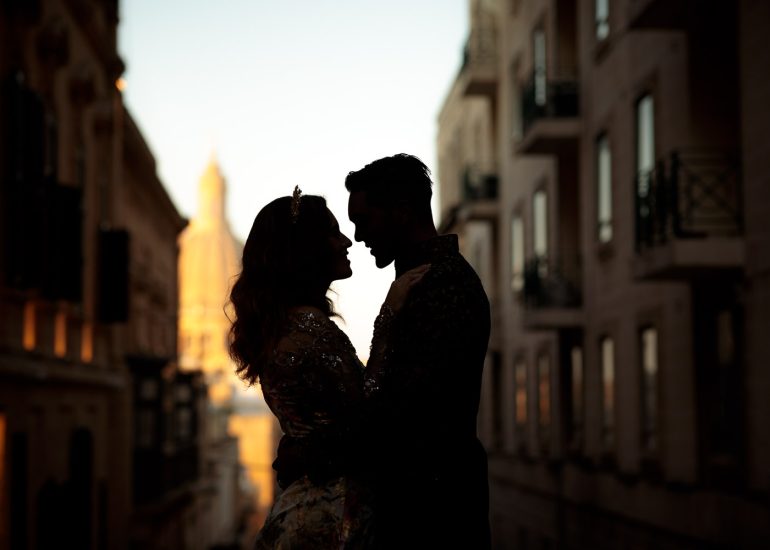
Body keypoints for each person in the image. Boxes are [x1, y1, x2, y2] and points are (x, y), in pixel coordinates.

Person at [274, 154, 492, 548]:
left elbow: (401, 420)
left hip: (431, 519)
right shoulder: (422, 281)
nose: (357, 237)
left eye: (363, 220)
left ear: (402, 212)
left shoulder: (441, 286)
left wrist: (310, 453)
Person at [228, 188, 428, 549]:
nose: (346, 241)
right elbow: (367, 408)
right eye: (334, 232)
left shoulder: (284, 327)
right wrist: (389, 318)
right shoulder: (308, 326)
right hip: (334, 516)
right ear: (307, 249)